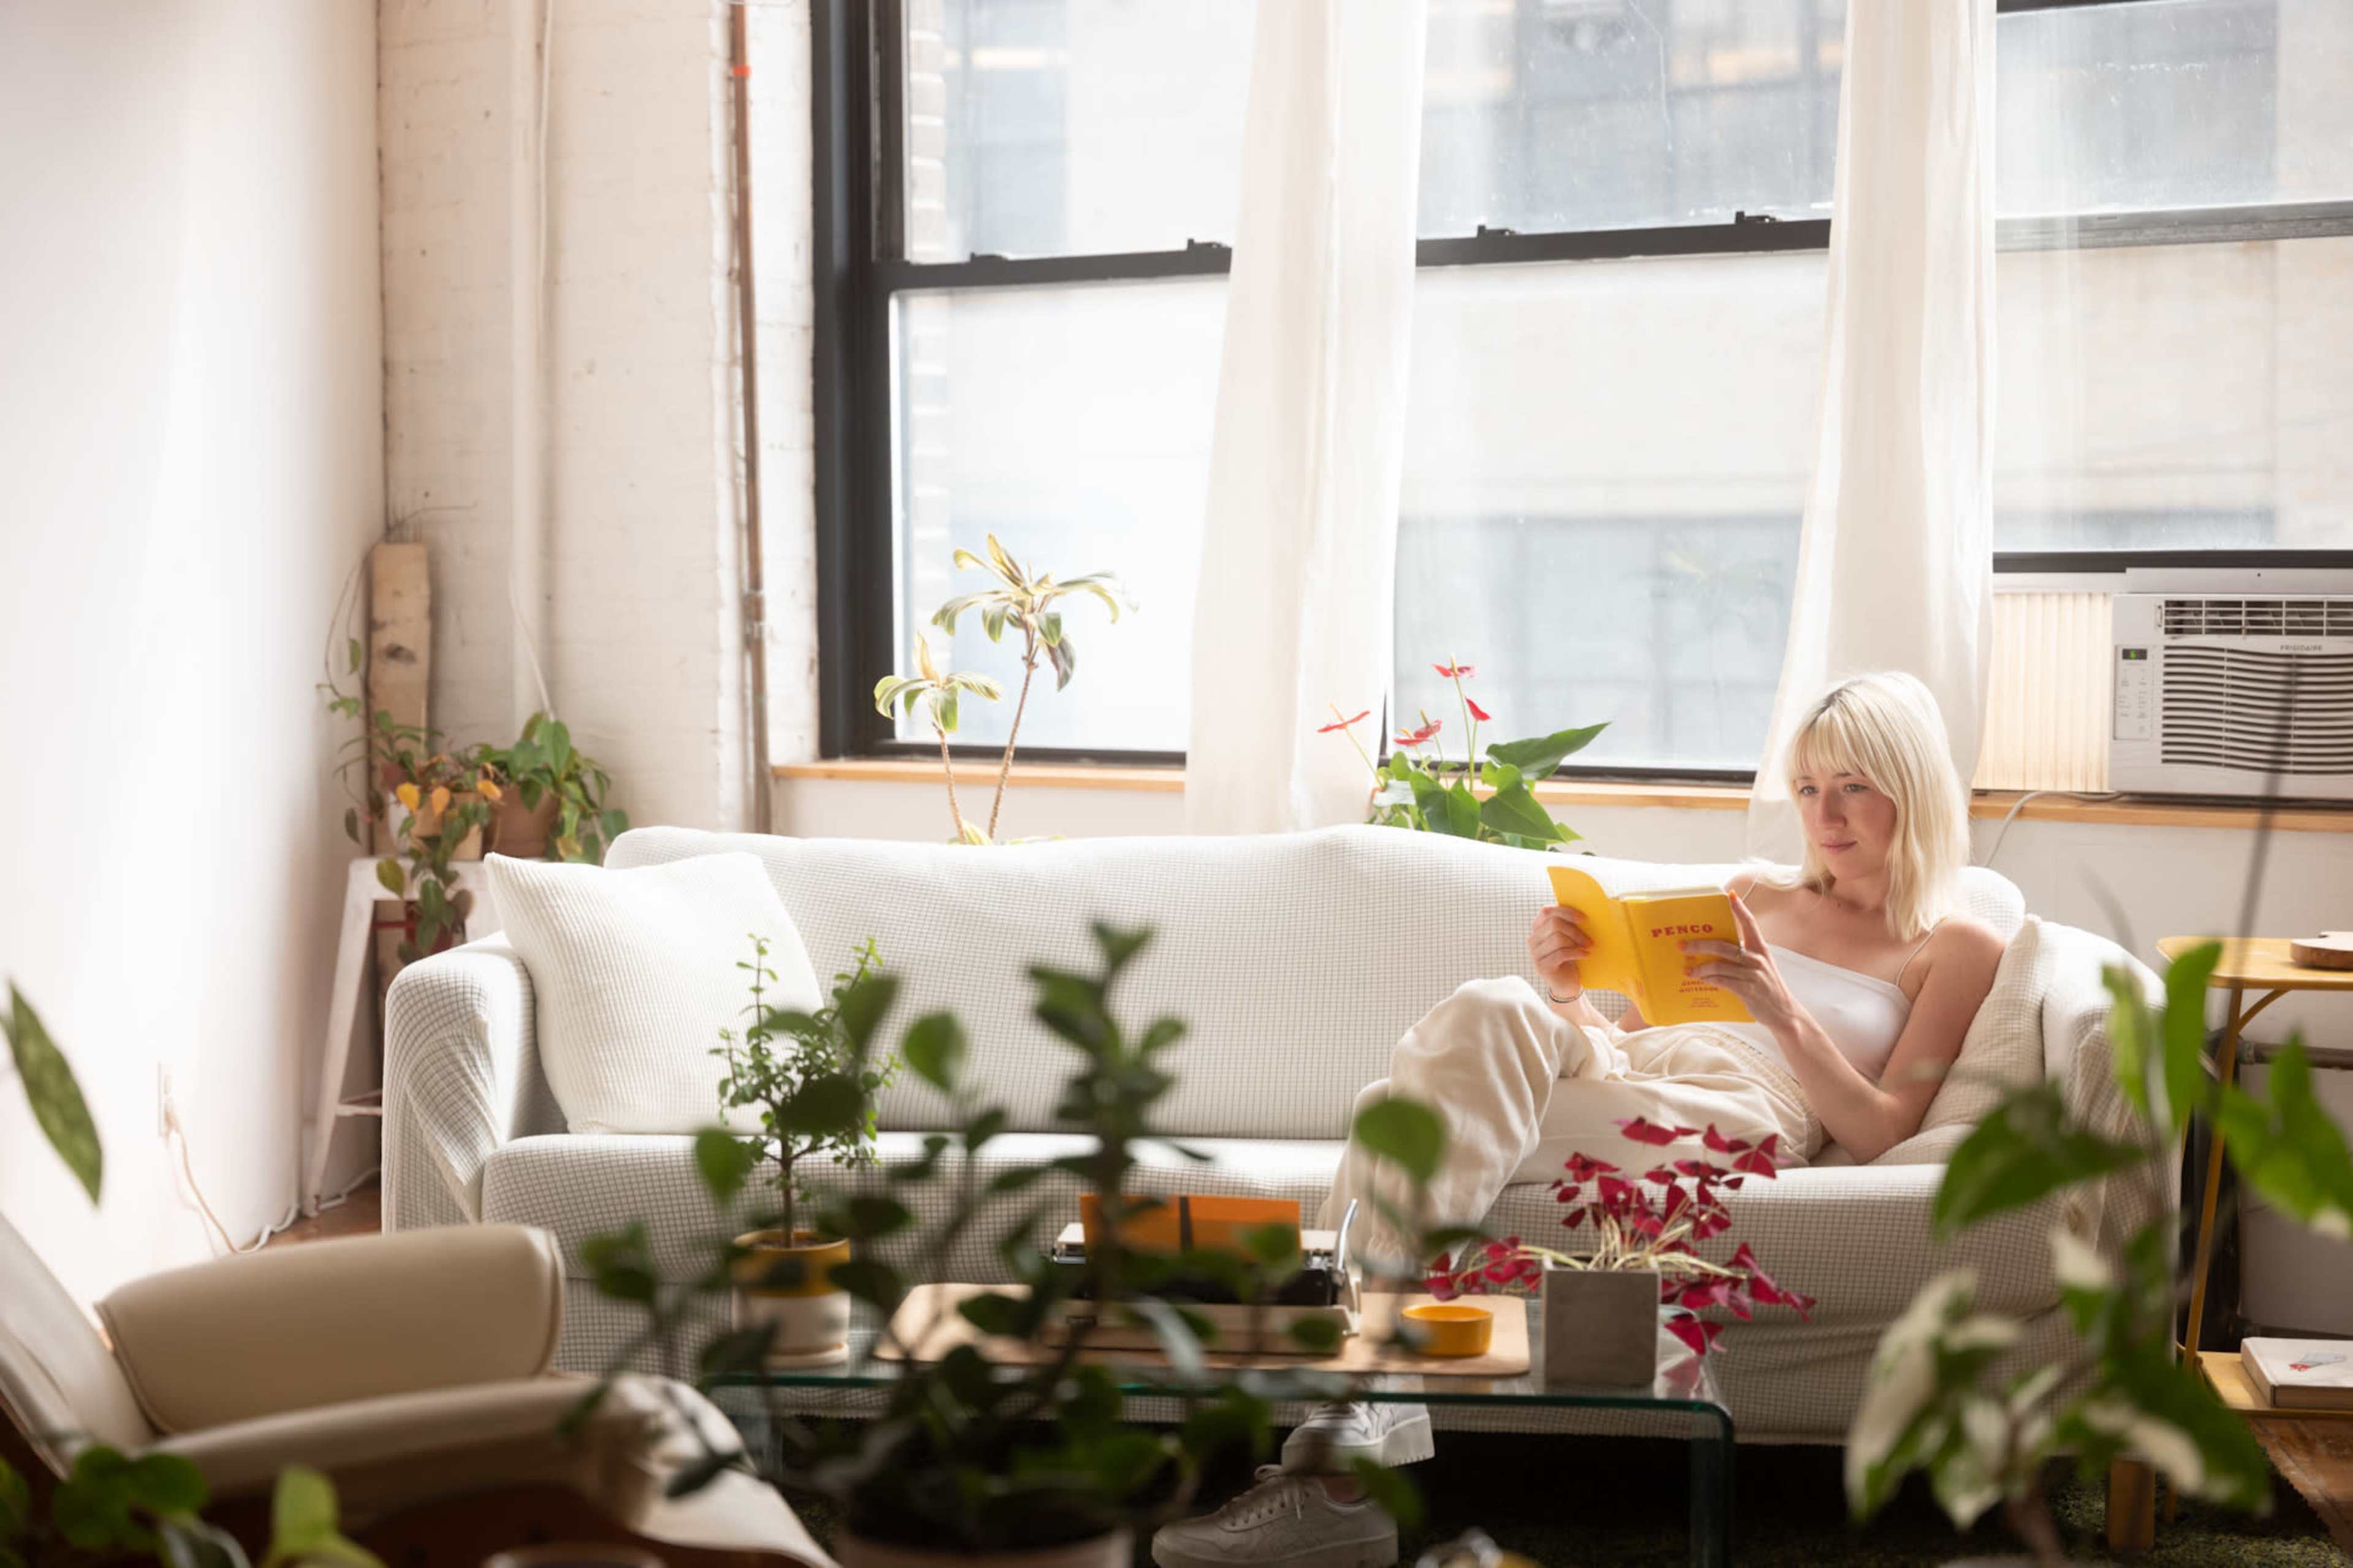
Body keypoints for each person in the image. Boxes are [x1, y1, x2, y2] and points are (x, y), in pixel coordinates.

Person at [1149, 672, 2007, 1568]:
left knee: (1390, 1114)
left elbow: (1882, 1133)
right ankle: (1345, 1458)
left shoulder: (1952, 944)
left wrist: (1780, 1009)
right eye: (1807, 789)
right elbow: (1626, 1038)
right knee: (1496, 1005)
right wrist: (1571, 995)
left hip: (1744, 1112)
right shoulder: (1756, 894)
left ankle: (1340, 1461)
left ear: (1909, 786)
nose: (1826, 815)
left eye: (1853, 787)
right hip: (1640, 1071)